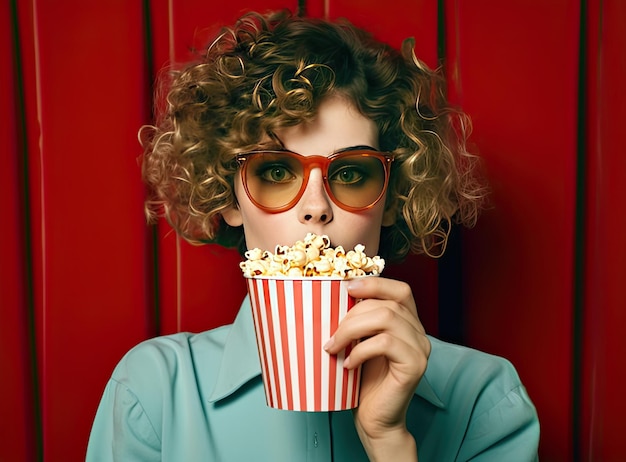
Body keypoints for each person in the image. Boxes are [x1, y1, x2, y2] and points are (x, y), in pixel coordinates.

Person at [86, 10, 539, 461]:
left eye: (351, 173)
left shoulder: (485, 401)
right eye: (277, 170)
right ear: (228, 198)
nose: (316, 208)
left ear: (392, 197)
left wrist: (390, 444)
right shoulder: (154, 394)